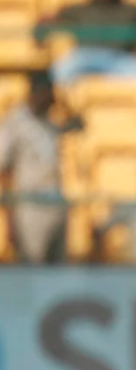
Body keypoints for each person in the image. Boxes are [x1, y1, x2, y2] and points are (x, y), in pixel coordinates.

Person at [0, 71, 83, 265]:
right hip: (31, 207)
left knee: (57, 270)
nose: (52, 100)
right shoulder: (15, 122)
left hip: (56, 205)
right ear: (38, 93)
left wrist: (66, 104)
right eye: (49, 94)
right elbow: (3, 168)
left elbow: (80, 124)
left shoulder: (50, 122)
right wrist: (10, 214)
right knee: (34, 267)